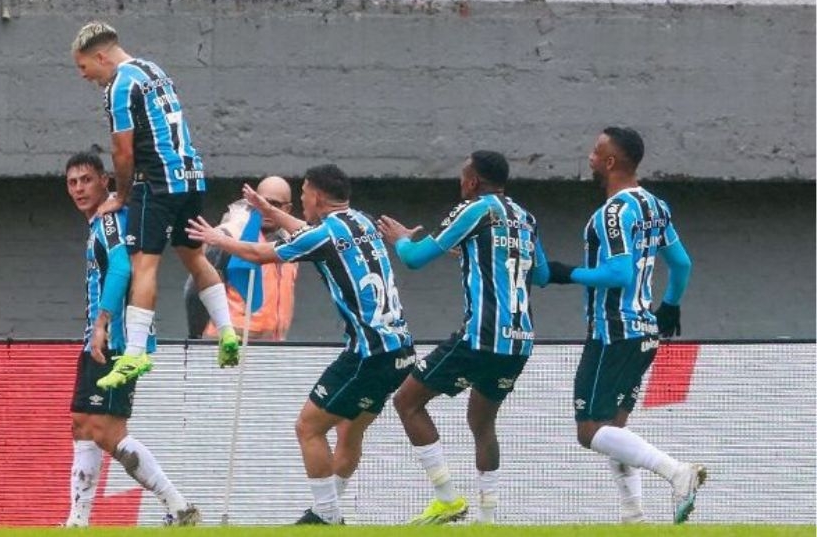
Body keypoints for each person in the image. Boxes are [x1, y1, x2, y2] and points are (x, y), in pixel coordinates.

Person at [186, 164, 416, 526]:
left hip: (368, 353)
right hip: (400, 349)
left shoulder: (323, 235)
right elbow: (308, 232)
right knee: (349, 430)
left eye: (304, 193)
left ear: (318, 197)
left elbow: (261, 254)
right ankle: (329, 512)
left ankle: (326, 516)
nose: (303, 200)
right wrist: (269, 210)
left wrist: (217, 239)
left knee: (308, 427)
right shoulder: (361, 221)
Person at [376, 151, 549, 525]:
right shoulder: (525, 217)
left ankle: (447, 498)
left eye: (462, 177)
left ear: (472, 182)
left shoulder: (473, 210)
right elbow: (542, 272)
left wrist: (401, 239)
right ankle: (488, 520)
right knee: (482, 422)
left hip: (480, 337)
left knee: (407, 401)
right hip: (519, 340)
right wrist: (473, 252)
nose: (460, 183)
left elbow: (415, 259)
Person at [543, 127, 703, 524]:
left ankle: (676, 472)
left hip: (613, 330)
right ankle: (632, 516)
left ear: (611, 162)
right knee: (615, 427)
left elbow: (617, 273)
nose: (590, 156)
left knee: (589, 430)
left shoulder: (613, 213)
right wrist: (670, 306)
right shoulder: (654, 205)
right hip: (645, 330)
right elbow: (681, 264)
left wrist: (563, 273)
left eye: (596, 151)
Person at [72, 22, 239, 389]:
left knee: (142, 265)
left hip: (159, 181)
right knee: (194, 257)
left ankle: (133, 354)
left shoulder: (119, 85)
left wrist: (123, 194)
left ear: (101, 56)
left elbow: (123, 149)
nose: (86, 77)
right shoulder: (153, 70)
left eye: (84, 68)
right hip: (191, 175)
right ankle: (227, 332)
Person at [62, 152, 200, 527]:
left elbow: (122, 267)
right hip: (98, 338)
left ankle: (177, 504)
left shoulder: (108, 221)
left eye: (86, 180)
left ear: (106, 181)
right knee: (81, 422)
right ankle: (77, 519)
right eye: (72, 182)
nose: (79, 188)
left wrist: (103, 322)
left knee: (108, 432)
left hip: (115, 339)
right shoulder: (100, 223)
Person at [184, 176, 299, 341]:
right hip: (229, 342)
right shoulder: (229, 236)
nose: (267, 208)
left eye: (275, 204)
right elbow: (195, 289)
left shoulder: (292, 243)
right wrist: (196, 338)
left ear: (287, 208)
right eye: (262, 201)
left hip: (273, 345)